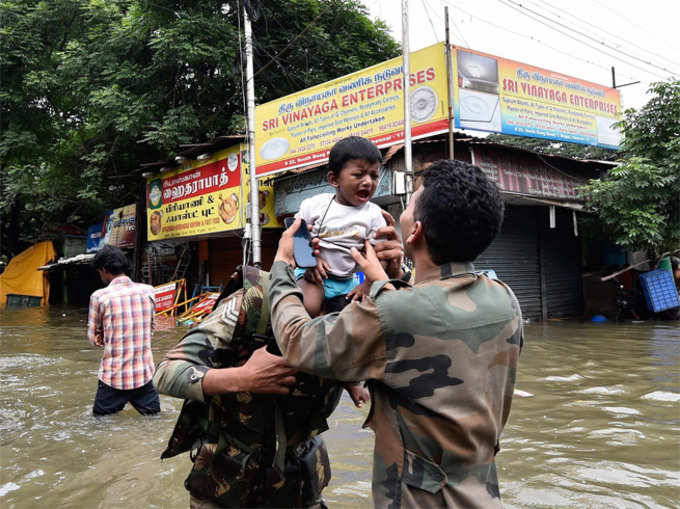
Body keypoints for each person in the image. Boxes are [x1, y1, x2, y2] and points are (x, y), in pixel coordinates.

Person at [269, 159, 524, 508]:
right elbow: (428, 318)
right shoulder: (505, 299)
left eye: (409, 204)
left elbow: (298, 342)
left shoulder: (393, 312)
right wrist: (391, 277)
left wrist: (283, 266)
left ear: (415, 230)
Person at [294, 136, 387, 317]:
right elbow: (296, 234)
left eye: (374, 175)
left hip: (350, 281)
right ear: (334, 179)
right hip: (314, 276)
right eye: (359, 174)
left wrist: (366, 284)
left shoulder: (374, 215)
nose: (368, 181)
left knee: (359, 315)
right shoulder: (314, 206)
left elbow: (379, 256)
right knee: (309, 306)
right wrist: (309, 261)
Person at [87, 244, 160, 416]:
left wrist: (107, 337)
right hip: (144, 375)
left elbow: (93, 339)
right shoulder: (148, 291)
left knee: (99, 424)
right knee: (153, 419)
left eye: (100, 272)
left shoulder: (99, 297)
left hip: (113, 378)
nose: (101, 276)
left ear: (104, 269)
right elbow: (151, 330)